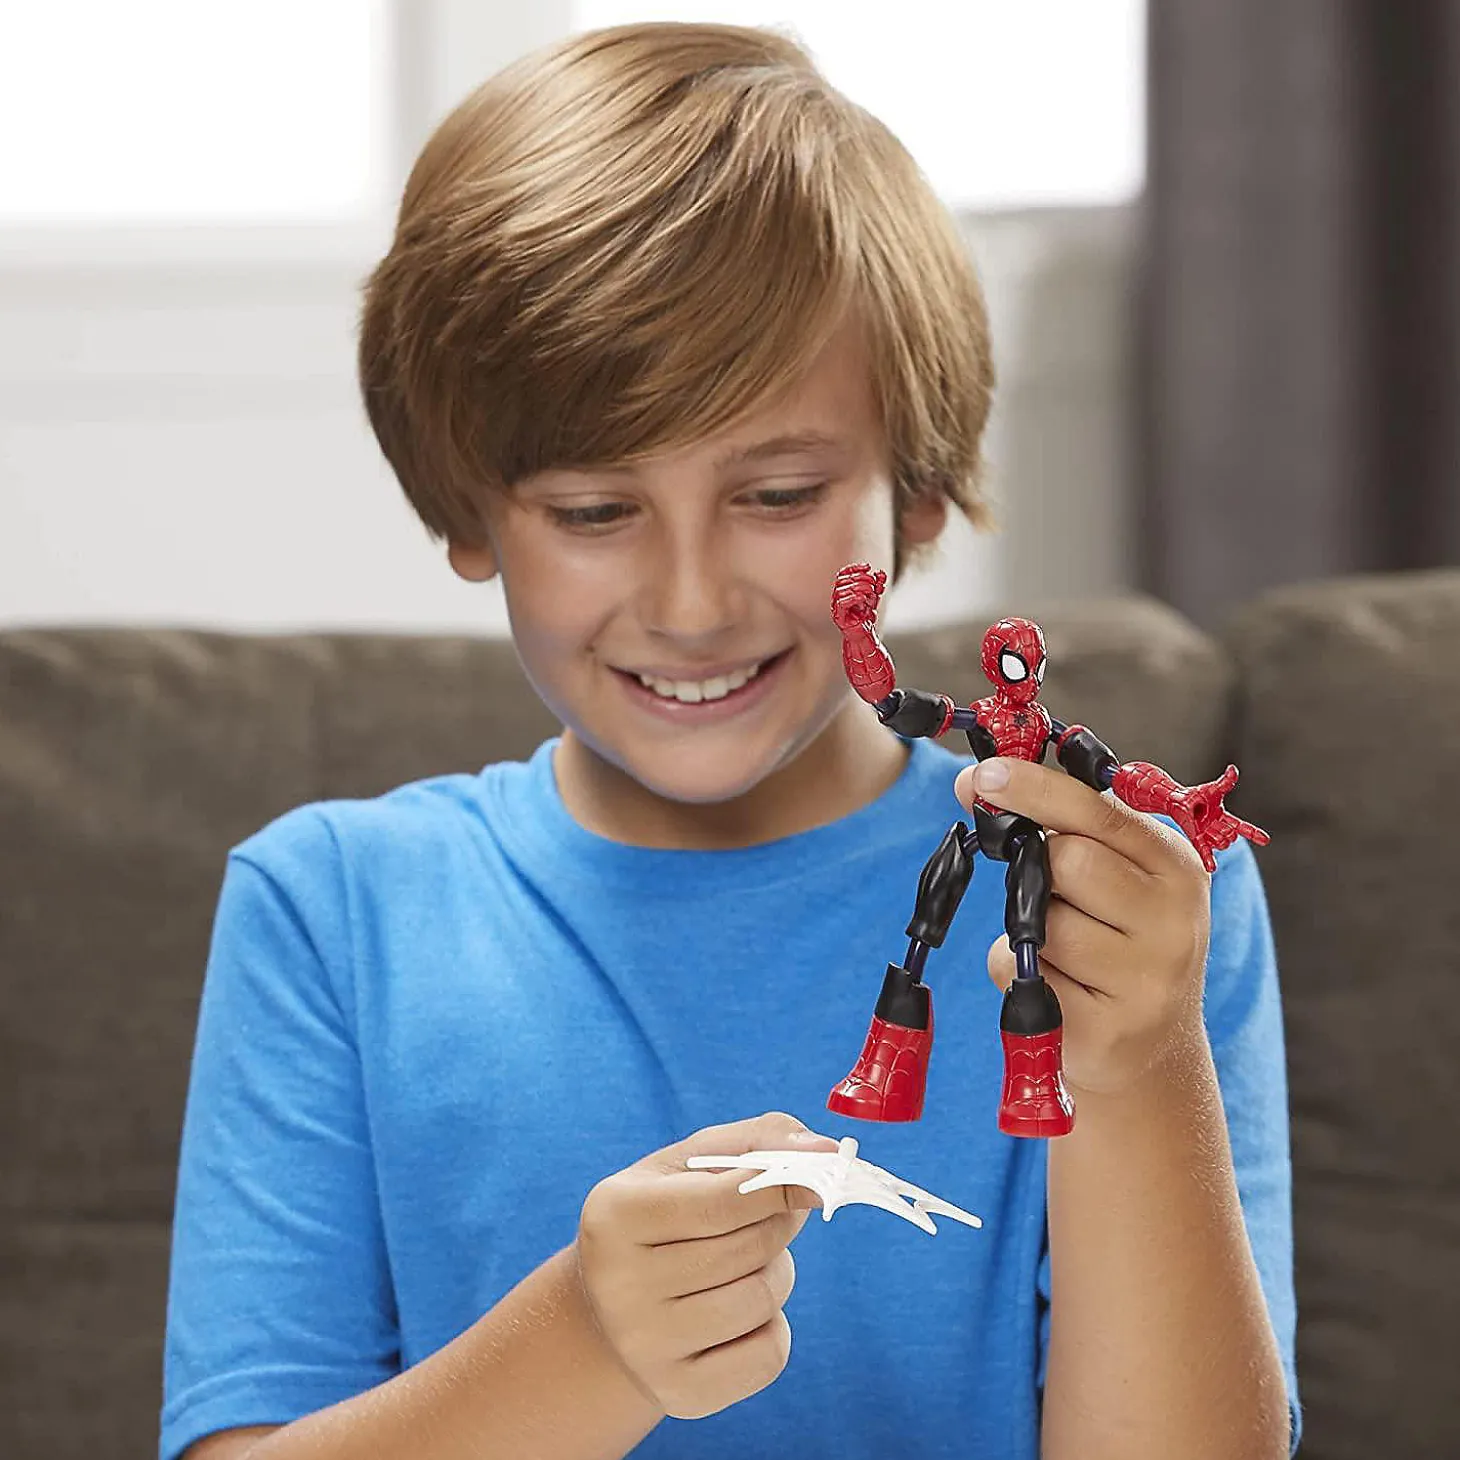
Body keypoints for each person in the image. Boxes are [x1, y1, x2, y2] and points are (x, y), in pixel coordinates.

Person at [160, 22, 1299, 1460]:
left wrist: (1137, 1071)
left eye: (775, 496)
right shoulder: (329, 911)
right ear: (466, 512)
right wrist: (581, 1347)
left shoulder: (1139, 911)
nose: (692, 603)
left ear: (920, 493)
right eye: (594, 512)